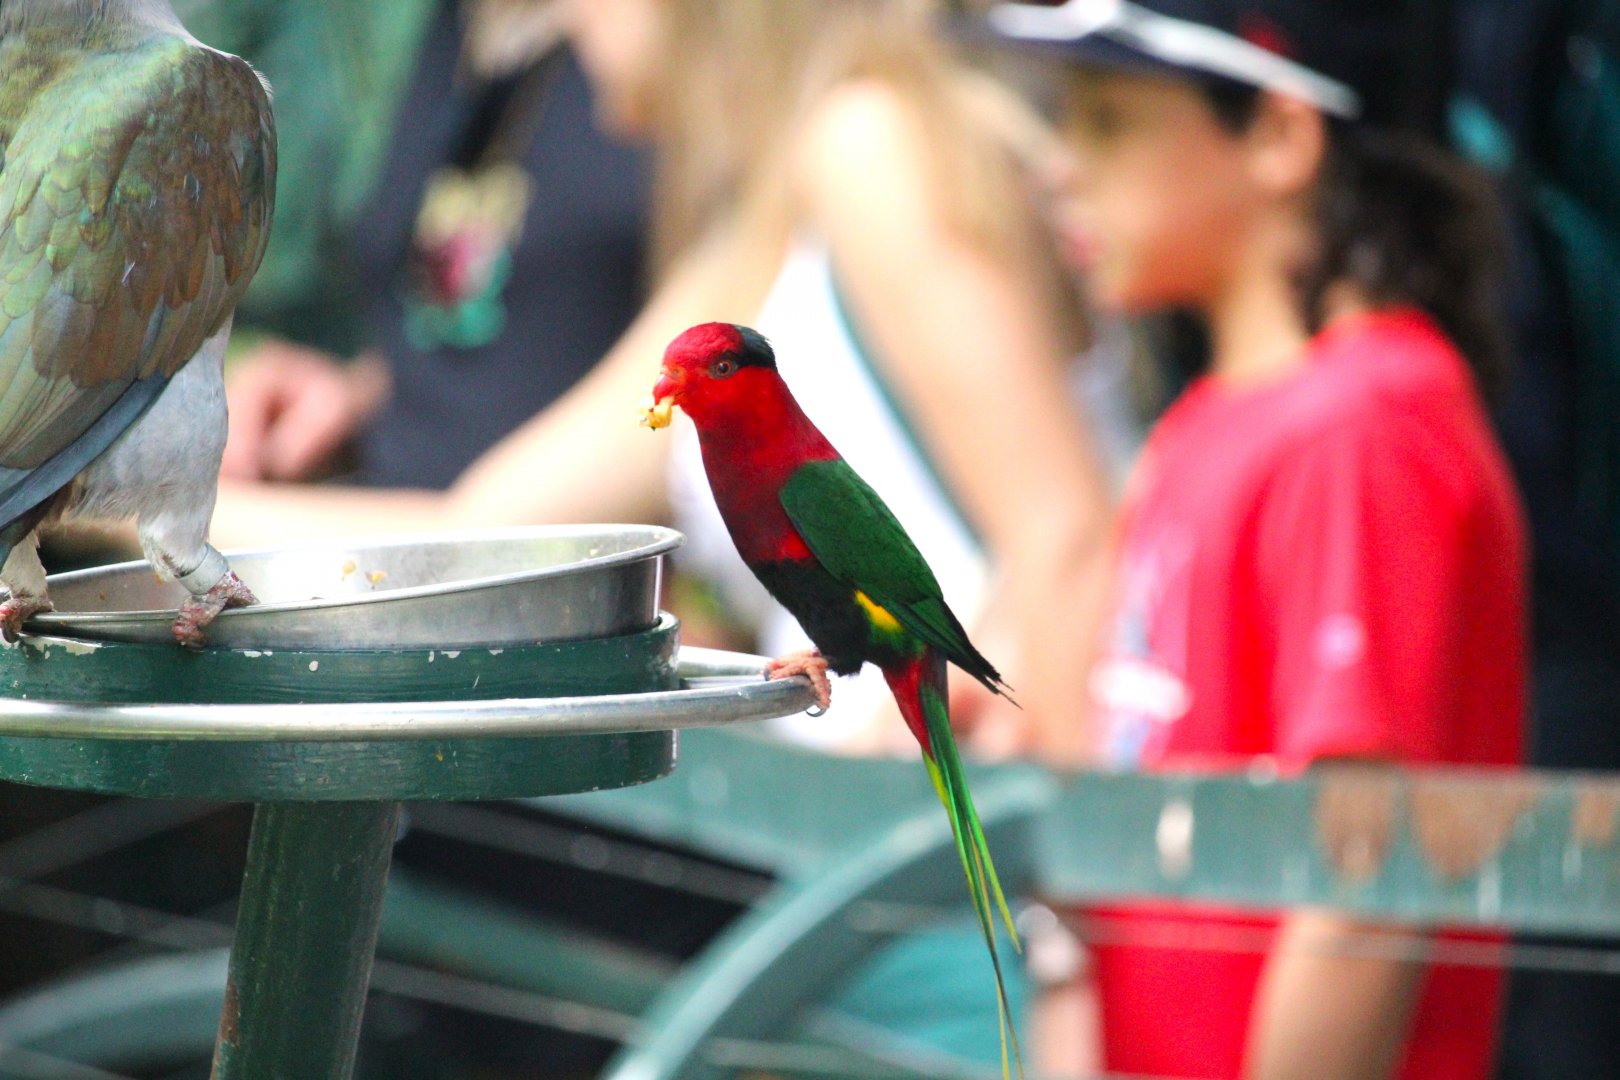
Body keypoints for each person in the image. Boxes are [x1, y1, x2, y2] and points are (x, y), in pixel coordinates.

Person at [212, 0, 1119, 762]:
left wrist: (1065, 941)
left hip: (944, 863)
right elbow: (492, 532)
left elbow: (1069, 544)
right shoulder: (764, 222)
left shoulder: (870, 142)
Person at [982, 1, 1526, 1078]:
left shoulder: (1364, 424)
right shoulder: (1204, 422)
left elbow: (1357, 897)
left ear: (1279, 138)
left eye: (1109, 121)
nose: (1060, 167)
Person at [220, 0, 650, 491]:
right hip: (388, 516)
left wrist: (142, 512)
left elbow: (490, 525)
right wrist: (349, 395)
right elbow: (502, 318)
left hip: (521, 544)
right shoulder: (455, 29)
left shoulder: (643, 49)